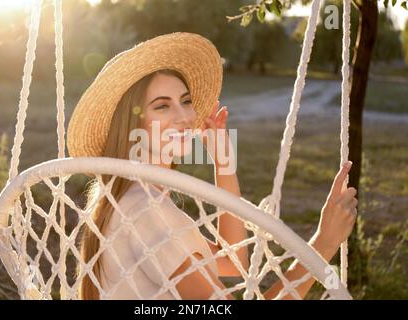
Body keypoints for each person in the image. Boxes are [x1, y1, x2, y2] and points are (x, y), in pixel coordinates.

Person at [66, 32, 358, 300]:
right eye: (162, 105)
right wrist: (324, 243)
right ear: (133, 124)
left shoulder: (127, 198)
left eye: (186, 101)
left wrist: (223, 164)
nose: (184, 117)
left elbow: (233, 262)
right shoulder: (148, 212)